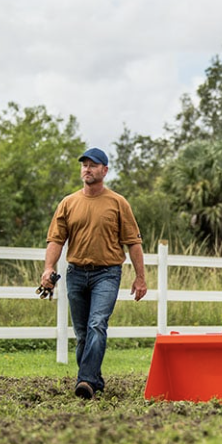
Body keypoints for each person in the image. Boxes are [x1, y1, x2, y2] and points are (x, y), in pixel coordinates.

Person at [41, 147, 148, 399]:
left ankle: (85, 381)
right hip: (76, 273)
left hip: (107, 274)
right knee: (82, 334)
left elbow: (133, 242)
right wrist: (48, 268)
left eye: (93, 165)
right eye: (84, 165)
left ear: (105, 170)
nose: (87, 169)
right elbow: (56, 240)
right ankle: (94, 380)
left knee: (97, 324)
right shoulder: (68, 203)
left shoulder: (118, 203)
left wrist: (141, 277)